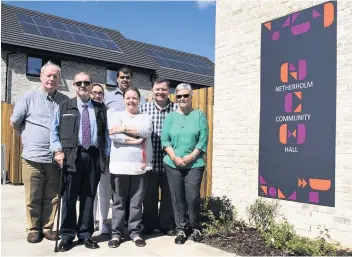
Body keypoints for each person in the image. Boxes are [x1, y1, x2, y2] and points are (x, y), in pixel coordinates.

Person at [10, 61, 69, 244]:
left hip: (54, 157)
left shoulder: (64, 101)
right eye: (48, 75)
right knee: (33, 196)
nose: (51, 79)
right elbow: (15, 123)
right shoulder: (28, 97)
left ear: (59, 79)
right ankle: (33, 228)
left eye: (55, 76)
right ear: (41, 77)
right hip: (32, 157)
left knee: (52, 196)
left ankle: (47, 227)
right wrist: (28, 139)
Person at [50, 72, 110, 252]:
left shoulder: (100, 108)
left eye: (86, 82)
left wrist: (105, 156)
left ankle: (85, 234)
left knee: (89, 196)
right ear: (74, 85)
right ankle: (67, 235)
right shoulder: (64, 106)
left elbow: (105, 134)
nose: (82, 85)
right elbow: (53, 131)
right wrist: (58, 151)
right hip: (70, 157)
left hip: (92, 156)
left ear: (91, 85)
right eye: (79, 83)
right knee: (68, 197)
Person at [161, 83, 209, 245]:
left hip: (194, 164)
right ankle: (181, 228)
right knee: (177, 198)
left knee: (193, 197)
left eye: (185, 96)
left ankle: (195, 227)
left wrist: (191, 157)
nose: (182, 98)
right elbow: (165, 140)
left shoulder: (199, 116)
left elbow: (203, 139)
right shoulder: (171, 117)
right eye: (179, 96)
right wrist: (175, 157)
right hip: (173, 163)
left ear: (191, 97)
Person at [107, 87, 153, 248]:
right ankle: (116, 234)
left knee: (136, 202)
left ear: (139, 100)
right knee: (119, 202)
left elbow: (146, 131)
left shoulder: (144, 116)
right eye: (128, 98)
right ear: (124, 100)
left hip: (139, 166)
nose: (131, 100)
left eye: (134, 98)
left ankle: (135, 233)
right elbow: (114, 135)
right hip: (119, 166)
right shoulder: (116, 115)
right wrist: (133, 140)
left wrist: (124, 128)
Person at [104, 66, 146, 223]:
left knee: (134, 195)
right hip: (116, 151)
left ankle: (132, 226)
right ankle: (114, 226)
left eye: (127, 77)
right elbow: (108, 128)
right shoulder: (108, 98)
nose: (125, 80)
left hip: (135, 154)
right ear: (117, 78)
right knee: (117, 194)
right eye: (122, 77)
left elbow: (143, 125)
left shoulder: (140, 99)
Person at [139, 78, 177, 236]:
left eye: (164, 89)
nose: (160, 92)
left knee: (169, 195)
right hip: (150, 160)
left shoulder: (176, 109)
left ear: (169, 91)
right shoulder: (144, 108)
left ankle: (167, 225)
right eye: (157, 89)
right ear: (152, 90)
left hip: (170, 161)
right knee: (149, 196)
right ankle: (149, 225)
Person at [91, 83, 110, 235]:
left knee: (103, 190)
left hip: (104, 155)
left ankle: (103, 221)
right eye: (94, 92)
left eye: (100, 93)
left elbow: (108, 135)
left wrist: (109, 154)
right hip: (89, 156)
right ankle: (90, 221)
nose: (97, 95)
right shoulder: (85, 109)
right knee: (90, 191)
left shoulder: (106, 111)